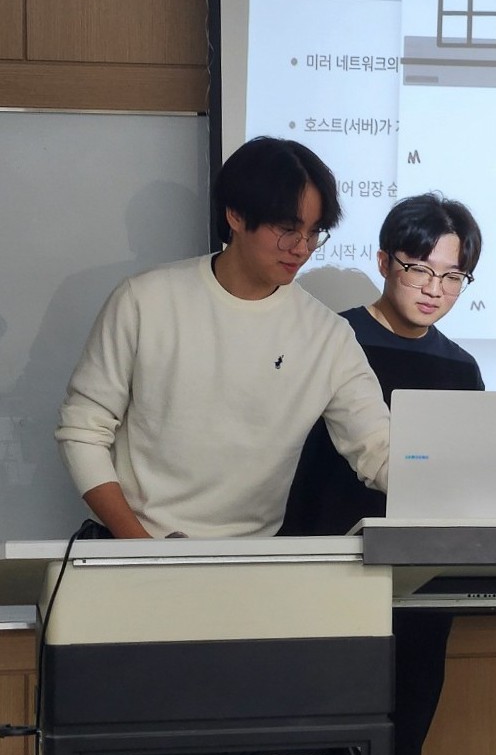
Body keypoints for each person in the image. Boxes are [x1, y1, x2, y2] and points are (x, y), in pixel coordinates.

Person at [278, 192, 483, 755]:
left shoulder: (460, 366)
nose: (434, 289)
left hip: (422, 590)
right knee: (315, 751)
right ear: (384, 261)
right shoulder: (331, 339)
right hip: (325, 580)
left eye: (451, 275)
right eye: (419, 269)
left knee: (401, 747)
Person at [55, 136, 389, 539]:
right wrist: (141, 549)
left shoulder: (328, 336)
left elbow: (377, 448)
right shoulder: (145, 300)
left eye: (314, 232)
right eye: (287, 229)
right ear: (235, 215)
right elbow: (82, 431)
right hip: (134, 545)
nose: (302, 249)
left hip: (250, 557)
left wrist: (440, 481)